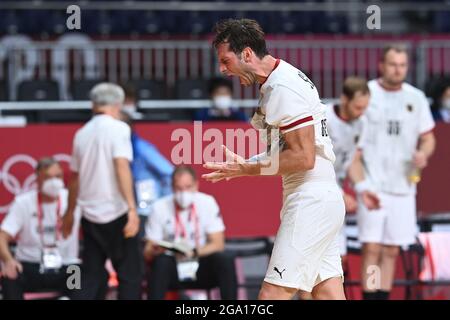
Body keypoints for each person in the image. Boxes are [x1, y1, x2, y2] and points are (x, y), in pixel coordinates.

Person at [203, 18, 346, 300]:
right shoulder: (281, 79)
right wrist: (245, 166)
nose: (222, 69)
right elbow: (290, 149)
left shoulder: (282, 88)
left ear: (246, 54)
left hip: (311, 200)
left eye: (225, 60)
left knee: (272, 294)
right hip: (320, 198)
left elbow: (304, 157)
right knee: (328, 292)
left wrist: (251, 168)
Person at [352, 44, 436, 300]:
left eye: (402, 65)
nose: (398, 70)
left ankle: (383, 296)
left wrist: (424, 153)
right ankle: (370, 296)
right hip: (372, 184)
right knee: (371, 247)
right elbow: (353, 145)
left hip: (403, 185)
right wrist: (361, 184)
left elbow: (428, 137)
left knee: (391, 249)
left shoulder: (416, 98)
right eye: (392, 64)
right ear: (381, 65)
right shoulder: (366, 94)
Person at [62, 82, 143, 300]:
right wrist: (132, 209)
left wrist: (69, 213)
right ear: (117, 105)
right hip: (117, 212)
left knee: (91, 275)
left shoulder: (81, 133)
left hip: (89, 215)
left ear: (93, 105)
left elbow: (74, 178)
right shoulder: (120, 128)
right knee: (130, 275)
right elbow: (121, 166)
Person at [144, 165, 237, 300]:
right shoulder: (159, 207)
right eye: (179, 188)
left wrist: (194, 252)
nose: (183, 193)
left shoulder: (207, 203)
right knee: (161, 262)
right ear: (172, 187)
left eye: (188, 187)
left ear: (196, 185)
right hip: (172, 267)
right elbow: (148, 251)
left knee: (224, 259)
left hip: (200, 264)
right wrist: (154, 250)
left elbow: (218, 244)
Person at [0, 157, 81, 299]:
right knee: (10, 275)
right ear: (37, 179)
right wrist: (8, 260)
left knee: (84, 275)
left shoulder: (73, 200)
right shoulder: (23, 203)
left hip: (66, 266)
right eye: (48, 177)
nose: (54, 182)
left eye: (58, 176)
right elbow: (2, 236)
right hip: (30, 266)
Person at [326, 77, 380, 259]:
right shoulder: (323, 118)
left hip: (336, 193)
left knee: (339, 258)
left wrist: (363, 189)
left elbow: (354, 162)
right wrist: (339, 193)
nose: (361, 113)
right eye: (358, 107)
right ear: (344, 99)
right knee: (316, 262)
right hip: (315, 191)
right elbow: (315, 164)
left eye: (365, 108)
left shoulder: (362, 123)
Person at [119, 111, 174, 238]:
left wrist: (163, 202)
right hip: (127, 207)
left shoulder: (142, 149)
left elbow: (169, 172)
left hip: (146, 209)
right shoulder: (119, 149)